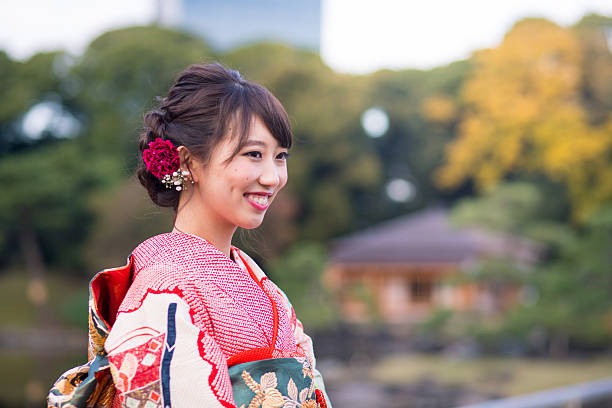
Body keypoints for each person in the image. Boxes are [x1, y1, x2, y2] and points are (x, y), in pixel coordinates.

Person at [48, 62, 330, 408]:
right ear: (187, 162)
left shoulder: (258, 283)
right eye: (254, 154)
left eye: (280, 156)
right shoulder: (163, 291)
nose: (272, 177)